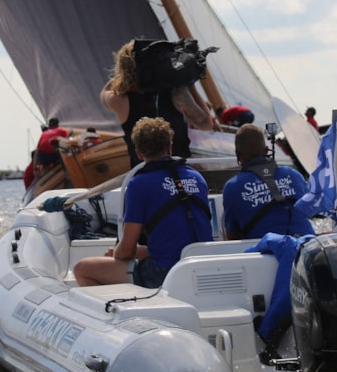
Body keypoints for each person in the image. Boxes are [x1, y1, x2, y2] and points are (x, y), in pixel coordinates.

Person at [73, 117, 213, 288]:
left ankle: (128, 305)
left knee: (83, 269)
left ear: (138, 153)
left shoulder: (138, 185)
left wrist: (115, 254)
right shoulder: (197, 178)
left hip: (165, 273)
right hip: (203, 267)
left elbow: (126, 251)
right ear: (170, 146)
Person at [100, 40, 213, 167]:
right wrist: (188, 82)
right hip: (178, 169)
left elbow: (104, 94)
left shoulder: (120, 100)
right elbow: (206, 124)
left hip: (144, 171)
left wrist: (123, 75)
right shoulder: (176, 92)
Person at [222, 124, 315, 239]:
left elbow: (232, 235)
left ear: (237, 155)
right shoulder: (293, 174)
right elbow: (310, 210)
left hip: (263, 248)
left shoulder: (232, 187)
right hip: (305, 244)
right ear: (266, 151)